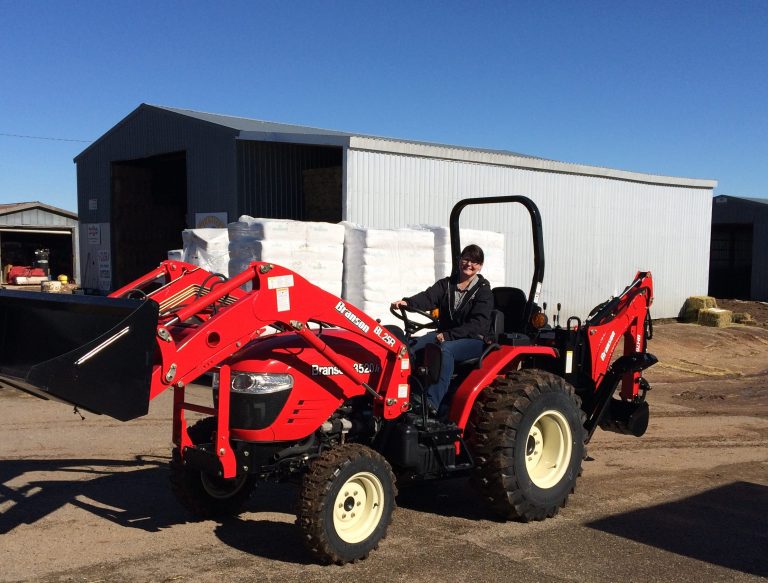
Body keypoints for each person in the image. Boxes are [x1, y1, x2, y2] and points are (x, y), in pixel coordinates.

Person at [391, 244, 493, 414]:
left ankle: (431, 403)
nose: (469, 264)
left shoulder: (483, 292)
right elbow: (428, 297)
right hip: (446, 334)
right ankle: (406, 393)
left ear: (480, 266)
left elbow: (478, 324)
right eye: (466, 259)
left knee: (445, 350)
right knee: (411, 345)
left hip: (474, 339)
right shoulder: (447, 284)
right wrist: (408, 303)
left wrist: (448, 335)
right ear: (459, 260)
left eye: (474, 261)